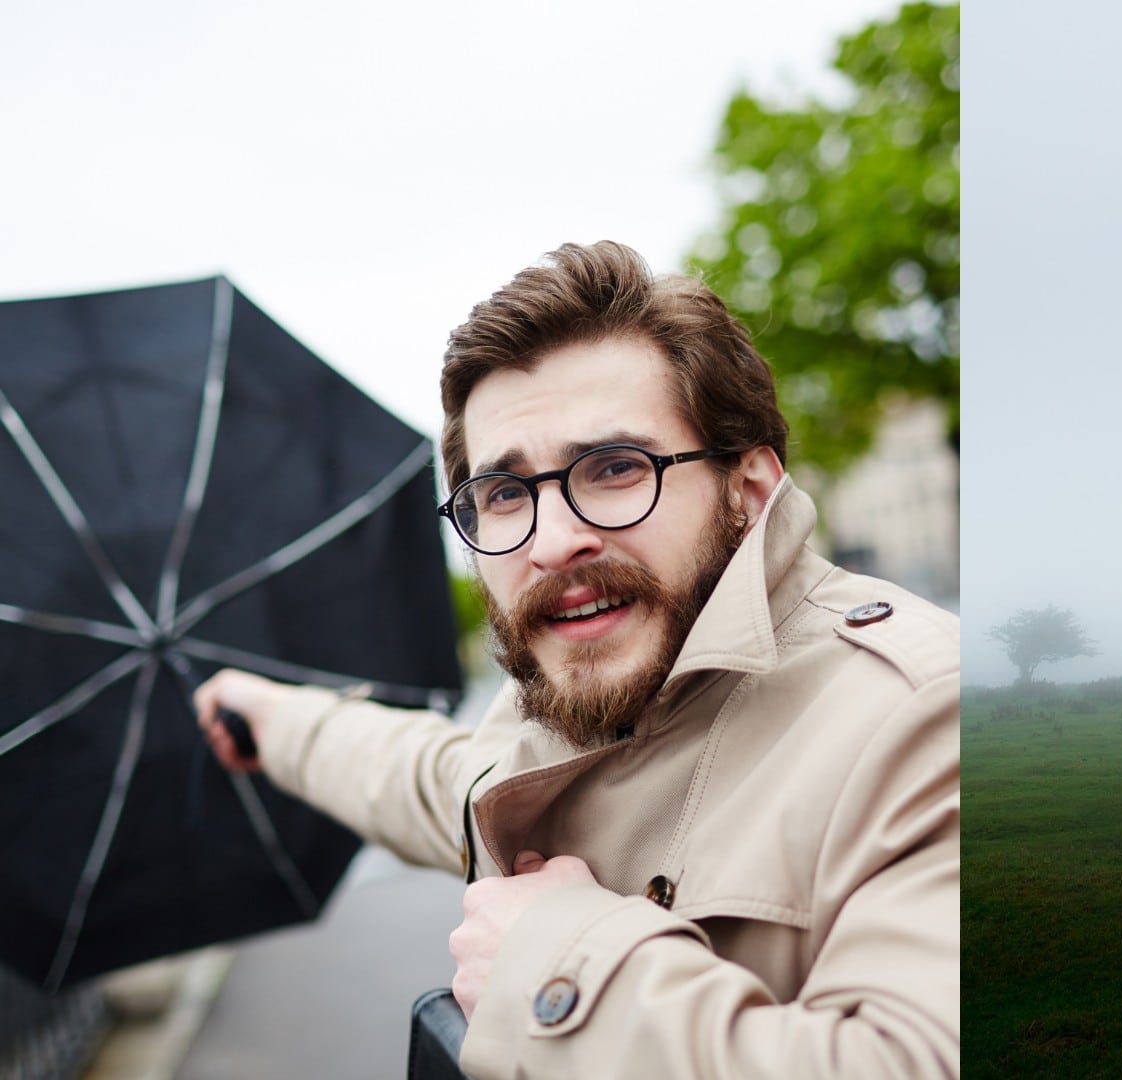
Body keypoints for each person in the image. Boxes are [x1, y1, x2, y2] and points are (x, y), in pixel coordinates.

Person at [193, 241, 958, 1078]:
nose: (555, 543)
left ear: (748, 491)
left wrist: (553, 962)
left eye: (616, 468)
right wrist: (269, 715)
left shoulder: (927, 712)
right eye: (505, 494)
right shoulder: (554, 720)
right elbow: (417, 773)